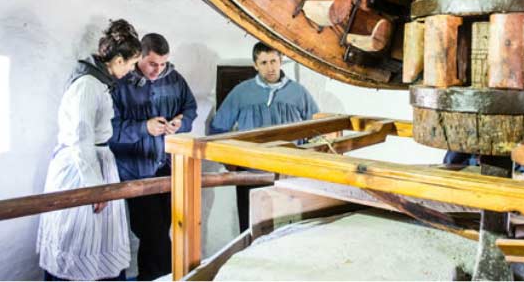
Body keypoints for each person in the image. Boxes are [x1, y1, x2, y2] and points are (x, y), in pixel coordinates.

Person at [37, 19, 142, 281]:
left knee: (99, 238)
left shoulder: (99, 83)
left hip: (98, 161)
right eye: (130, 64)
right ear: (118, 60)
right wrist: (94, 187)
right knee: (77, 236)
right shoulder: (87, 86)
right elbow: (81, 138)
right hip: (81, 168)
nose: (130, 70)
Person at [109, 33, 197, 281]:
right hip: (135, 172)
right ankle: (170, 276)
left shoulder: (175, 79)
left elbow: (190, 109)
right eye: (153, 64)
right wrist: (143, 128)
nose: (158, 70)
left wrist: (180, 122)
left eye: (163, 64)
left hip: (168, 169)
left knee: (158, 233)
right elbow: (109, 130)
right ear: (139, 57)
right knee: (154, 235)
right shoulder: (120, 83)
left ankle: (149, 277)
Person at [208, 41, 319, 232]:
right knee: (251, 229)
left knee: (289, 229)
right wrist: (228, 161)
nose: (270, 68)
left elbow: (318, 129)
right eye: (264, 62)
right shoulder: (241, 92)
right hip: (250, 174)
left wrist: (308, 160)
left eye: (274, 61)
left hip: (288, 173)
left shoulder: (298, 92)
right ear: (255, 65)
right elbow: (218, 127)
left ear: (281, 60)